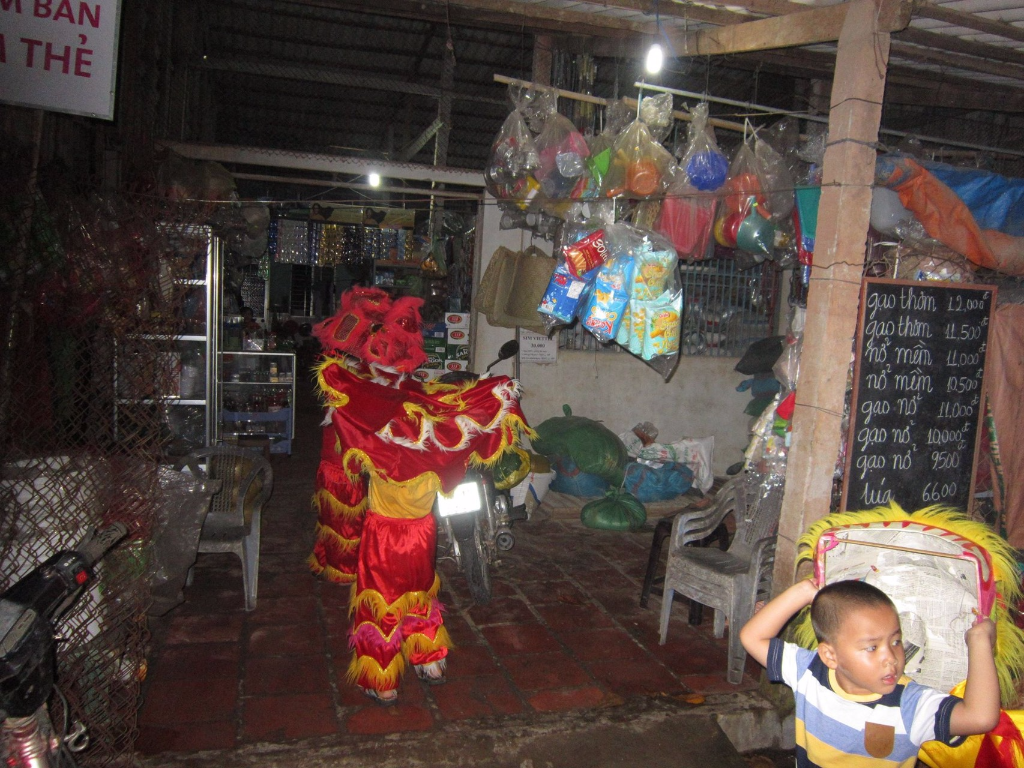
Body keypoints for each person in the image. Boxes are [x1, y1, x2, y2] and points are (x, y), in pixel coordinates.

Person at [739, 578, 1000, 767]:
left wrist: (979, 641)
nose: (891, 658)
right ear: (830, 656)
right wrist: (804, 592)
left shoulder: (910, 705)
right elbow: (752, 637)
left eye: (895, 641)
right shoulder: (808, 672)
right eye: (872, 647)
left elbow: (980, 717)